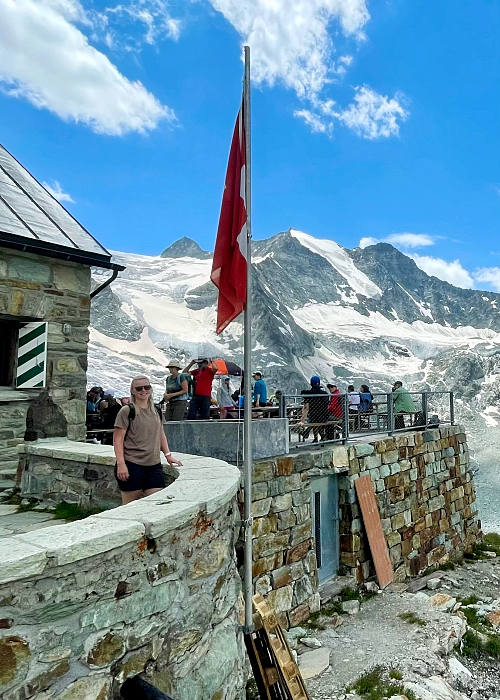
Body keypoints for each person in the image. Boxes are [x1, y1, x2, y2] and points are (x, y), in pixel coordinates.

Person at [114, 375, 182, 504]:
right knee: (130, 506)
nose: (143, 390)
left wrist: (168, 455)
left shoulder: (156, 410)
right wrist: (121, 464)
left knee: (156, 503)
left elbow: (160, 433)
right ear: (132, 391)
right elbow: (117, 440)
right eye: (139, 388)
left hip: (153, 465)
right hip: (132, 464)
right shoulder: (127, 411)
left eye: (147, 387)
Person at [299, 376, 329, 443]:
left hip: (313, 414)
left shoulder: (308, 393)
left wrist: (302, 419)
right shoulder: (324, 394)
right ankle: (322, 436)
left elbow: (306, 407)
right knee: (317, 423)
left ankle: (314, 436)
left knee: (314, 421)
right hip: (324, 415)